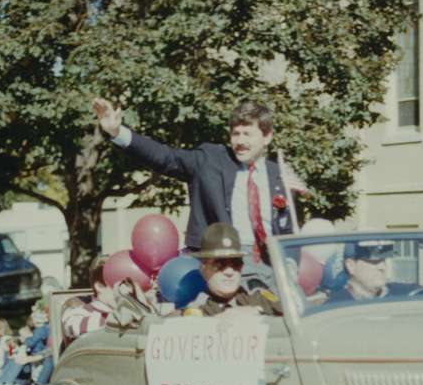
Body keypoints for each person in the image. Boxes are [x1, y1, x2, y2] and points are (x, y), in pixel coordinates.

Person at [91, 97, 296, 267]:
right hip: (219, 264)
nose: (240, 142)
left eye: (247, 134)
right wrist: (117, 132)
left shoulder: (278, 175)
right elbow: (165, 157)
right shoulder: (208, 159)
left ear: (267, 137)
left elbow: (287, 230)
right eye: (236, 134)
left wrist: (292, 266)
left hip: (270, 265)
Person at [182, 224, 282, 317]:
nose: (229, 272)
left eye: (236, 263)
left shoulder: (259, 298)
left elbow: (294, 318)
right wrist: (216, 322)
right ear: (203, 270)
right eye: (219, 264)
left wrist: (261, 315)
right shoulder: (198, 311)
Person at [325, 241, 404, 303]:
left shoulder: (404, 293)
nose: (382, 267)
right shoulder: (336, 306)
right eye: (374, 261)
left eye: (384, 260)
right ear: (351, 266)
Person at [61, 256, 112, 341]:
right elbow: (73, 326)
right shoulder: (79, 312)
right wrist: (116, 321)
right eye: (118, 285)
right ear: (100, 286)